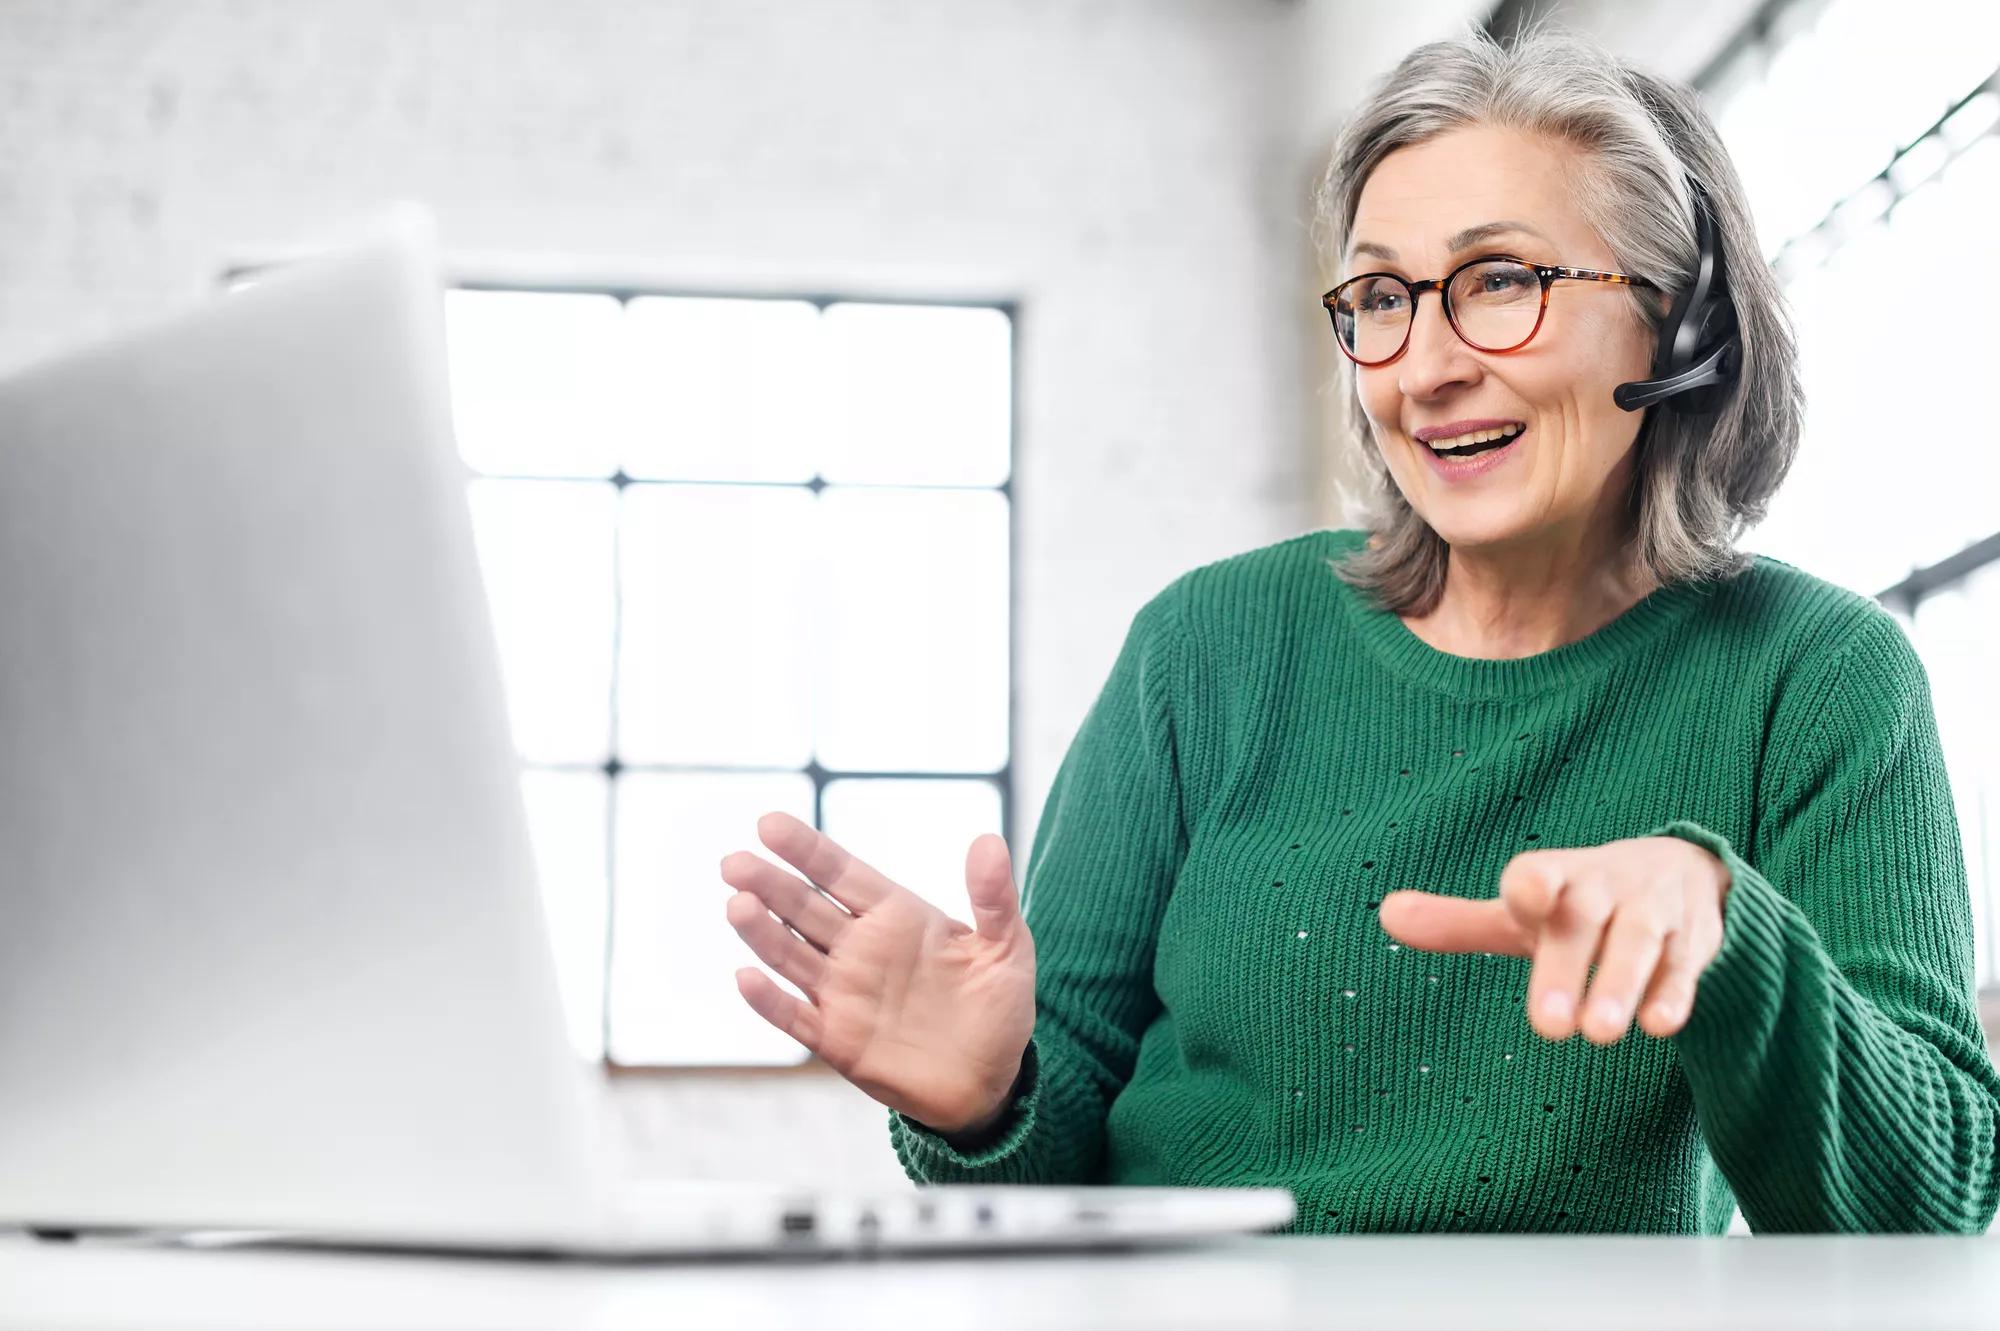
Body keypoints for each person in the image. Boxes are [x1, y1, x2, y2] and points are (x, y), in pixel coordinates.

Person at [717, 24, 2000, 1234]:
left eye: (1498, 281)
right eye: (1379, 298)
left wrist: (1734, 942)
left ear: (1679, 318)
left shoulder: (1816, 678)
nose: (1421, 366)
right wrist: (984, 1098)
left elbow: (1929, 1203)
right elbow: (1048, 1159)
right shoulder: (1206, 647)